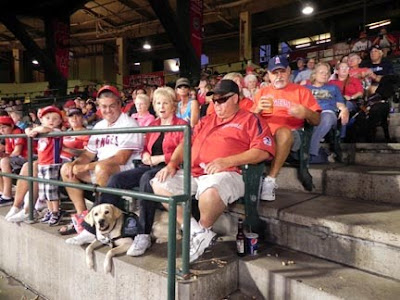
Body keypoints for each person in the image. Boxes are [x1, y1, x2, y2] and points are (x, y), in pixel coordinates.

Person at [152, 79, 275, 262]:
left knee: (210, 192)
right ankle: (197, 232)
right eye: (214, 100)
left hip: (230, 173)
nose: (217, 104)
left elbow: (263, 151)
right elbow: (186, 142)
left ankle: (202, 231)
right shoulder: (206, 120)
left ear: (235, 98)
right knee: (158, 182)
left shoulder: (251, 119)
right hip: (195, 173)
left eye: (222, 100)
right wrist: (172, 164)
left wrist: (227, 161)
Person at [70, 87, 187, 251]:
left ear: (173, 105)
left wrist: (161, 158)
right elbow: (145, 148)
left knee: (147, 179)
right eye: (158, 103)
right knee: (116, 179)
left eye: (165, 103)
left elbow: (183, 151)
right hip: (149, 165)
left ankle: (143, 234)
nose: (161, 107)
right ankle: (92, 229)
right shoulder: (153, 125)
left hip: (170, 167)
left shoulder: (182, 125)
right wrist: (147, 155)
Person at [61, 85, 143, 244]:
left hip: (124, 170)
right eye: (104, 106)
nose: (108, 110)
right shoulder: (99, 126)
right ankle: (83, 218)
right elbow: (88, 154)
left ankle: (93, 229)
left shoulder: (129, 124)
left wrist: (86, 167)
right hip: (100, 169)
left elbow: (121, 158)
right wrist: (77, 163)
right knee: (66, 169)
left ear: (120, 104)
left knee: (101, 168)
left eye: (112, 105)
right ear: (99, 107)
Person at [253, 55, 321, 200]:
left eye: (282, 71)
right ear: (269, 75)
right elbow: (248, 121)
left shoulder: (302, 91)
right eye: (274, 73)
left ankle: (270, 180)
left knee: (283, 132)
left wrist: (306, 112)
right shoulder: (261, 93)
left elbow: (317, 120)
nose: (279, 76)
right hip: (264, 135)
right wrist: (257, 110)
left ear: (289, 71)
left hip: (292, 136)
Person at [25, 106, 64, 226]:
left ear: (60, 121)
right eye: (47, 118)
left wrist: (36, 129)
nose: (51, 120)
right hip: (42, 163)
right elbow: (28, 130)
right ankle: (50, 210)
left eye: (55, 118)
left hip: (52, 164)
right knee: (44, 190)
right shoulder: (41, 133)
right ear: (41, 120)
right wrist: (30, 131)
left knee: (51, 190)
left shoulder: (56, 132)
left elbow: (44, 129)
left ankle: (56, 211)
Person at [305, 63, 349, 163]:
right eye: (321, 72)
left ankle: (310, 153)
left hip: (328, 113)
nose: (325, 75)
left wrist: (344, 110)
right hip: (311, 114)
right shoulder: (306, 88)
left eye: (327, 73)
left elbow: (340, 105)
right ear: (314, 74)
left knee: (326, 117)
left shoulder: (333, 88)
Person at [0, 115, 28, 206]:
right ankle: (3, 192)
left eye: (3, 127)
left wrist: (5, 156)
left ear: (11, 126)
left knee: (4, 161)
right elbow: (9, 152)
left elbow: (17, 152)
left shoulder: (17, 132)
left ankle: (7, 196)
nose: (1, 130)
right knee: (3, 160)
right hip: (18, 158)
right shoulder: (8, 135)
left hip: (29, 157)